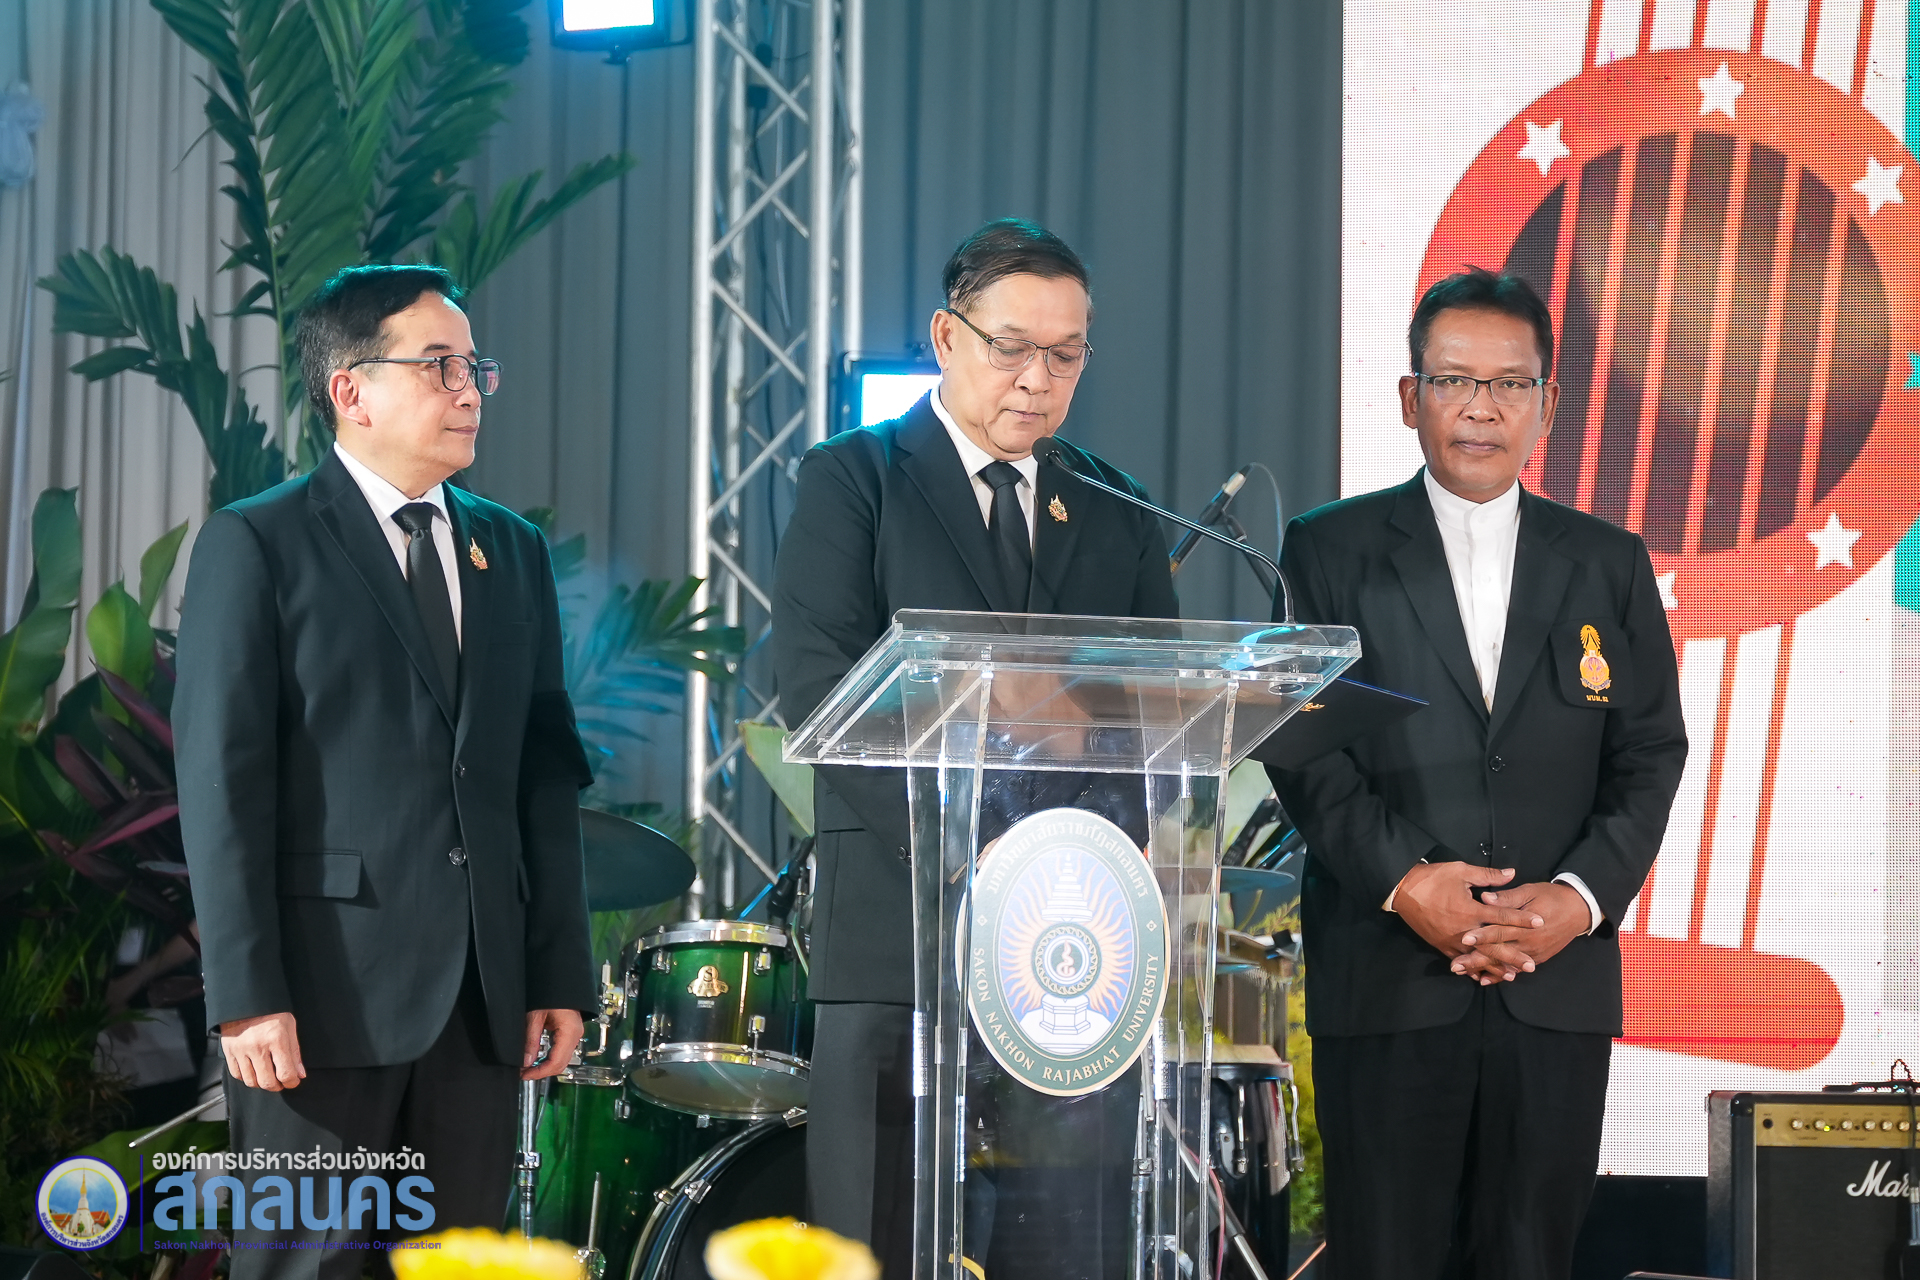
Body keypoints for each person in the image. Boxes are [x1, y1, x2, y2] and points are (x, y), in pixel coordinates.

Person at [770, 218, 1179, 1276]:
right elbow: (819, 694)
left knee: (1060, 1248)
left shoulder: (1114, 505)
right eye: (1013, 348)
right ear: (948, 337)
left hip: (1066, 950)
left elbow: (1157, 715)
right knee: (877, 1243)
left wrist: (1058, 852)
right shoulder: (854, 479)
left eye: (1066, 354)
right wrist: (970, 846)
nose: (1038, 379)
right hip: (896, 937)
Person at [1263, 267, 1687, 1280]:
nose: (1482, 408)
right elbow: (1303, 745)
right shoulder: (1328, 549)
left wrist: (1576, 899)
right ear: (1412, 397)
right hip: (1390, 974)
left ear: (1549, 403)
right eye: (1455, 381)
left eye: (1509, 384)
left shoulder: (1610, 561)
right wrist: (1411, 883)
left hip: (1555, 983)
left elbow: (1649, 752)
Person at [175, 264, 595, 1278]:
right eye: (439, 365)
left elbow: (542, 777)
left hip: (479, 1004)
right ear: (350, 390)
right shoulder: (259, 541)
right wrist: (245, 992)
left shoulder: (512, 552)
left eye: (475, 367)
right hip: (320, 1000)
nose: (469, 389)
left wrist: (555, 971)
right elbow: (223, 782)